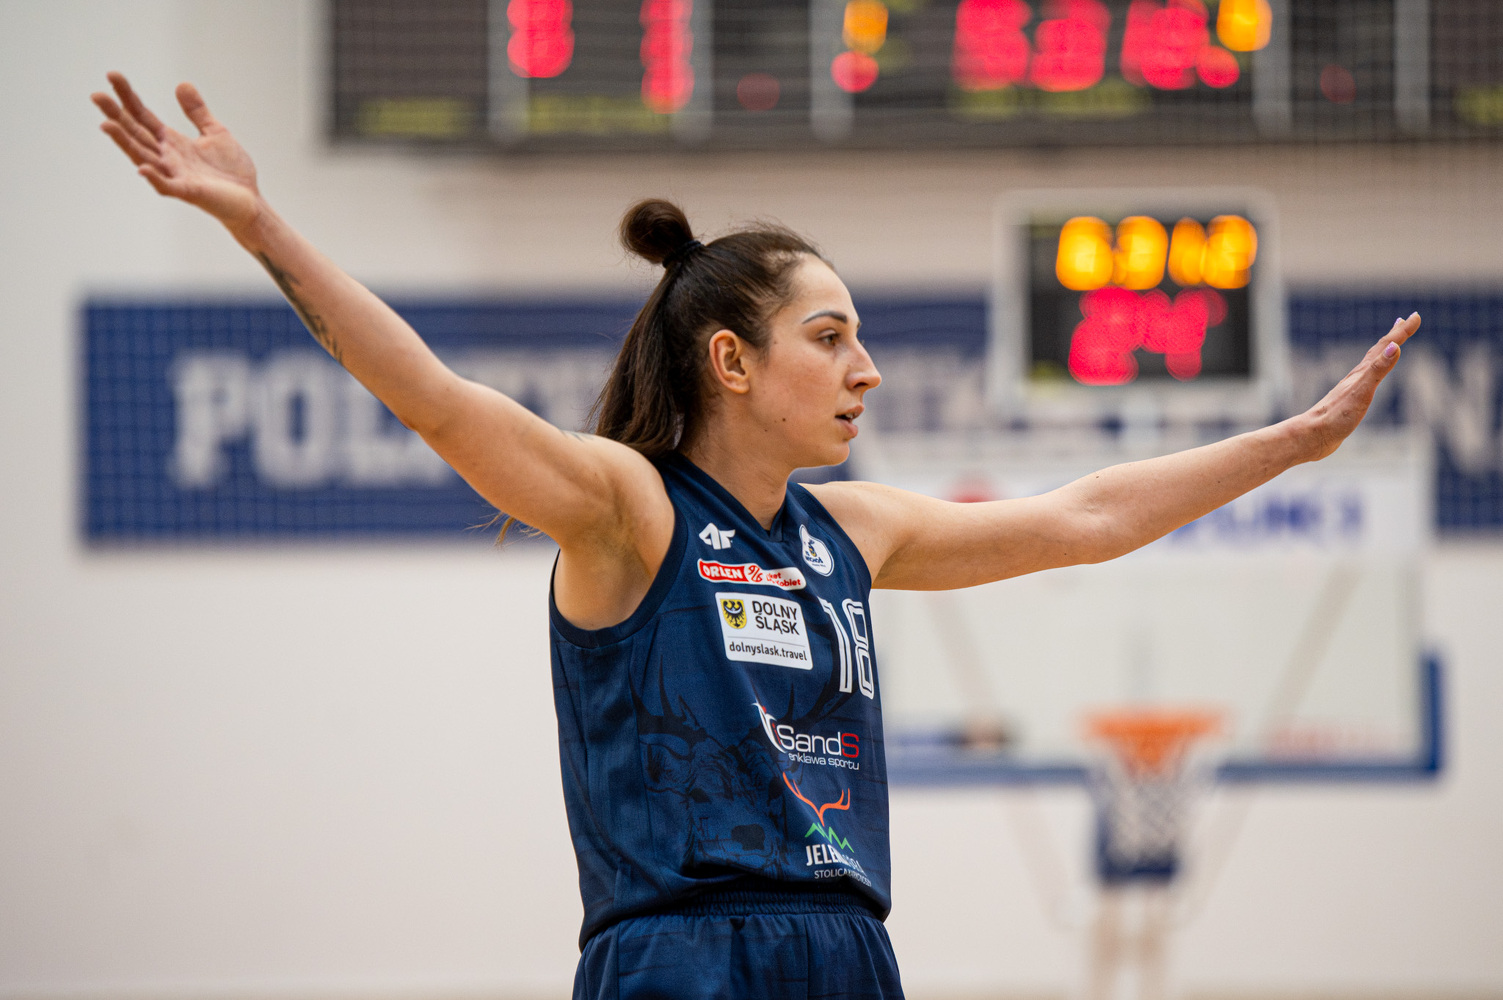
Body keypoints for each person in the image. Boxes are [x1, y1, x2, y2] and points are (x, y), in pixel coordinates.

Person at [92, 73, 1419, 1000]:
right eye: (830, 338)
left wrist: (1292, 442)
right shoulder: (629, 511)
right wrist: (261, 222)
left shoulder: (855, 530)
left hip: (849, 952)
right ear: (731, 361)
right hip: (679, 956)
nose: (866, 369)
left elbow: (1085, 518)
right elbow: (433, 397)